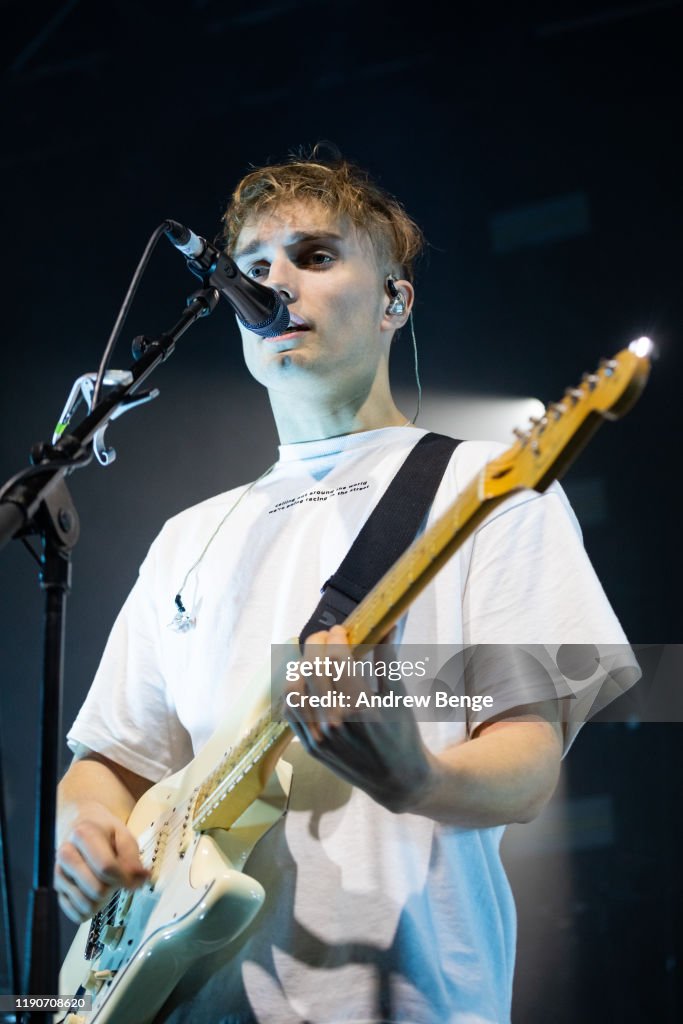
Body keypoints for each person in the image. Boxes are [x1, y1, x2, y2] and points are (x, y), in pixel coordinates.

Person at [55, 147, 636, 1024]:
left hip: (405, 1000)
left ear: (394, 300)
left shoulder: (491, 487)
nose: (275, 282)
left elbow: (526, 770)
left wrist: (418, 777)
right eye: (252, 269)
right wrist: (85, 830)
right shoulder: (187, 537)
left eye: (314, 257)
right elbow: (109, 761)